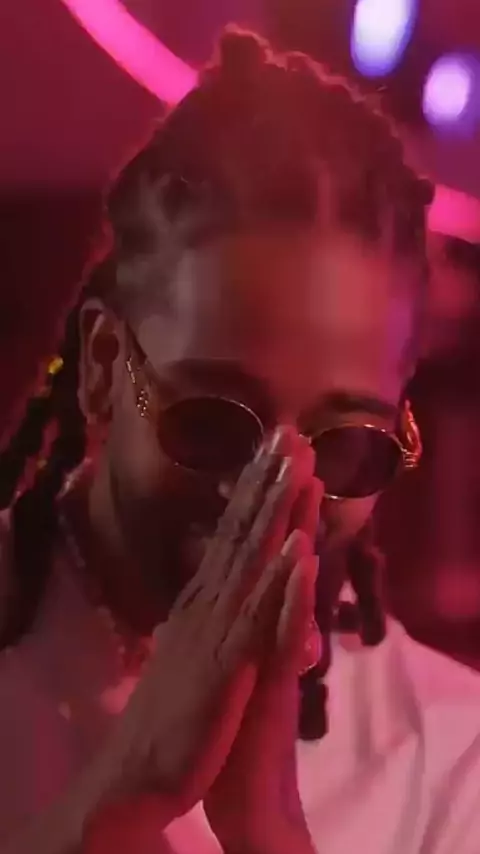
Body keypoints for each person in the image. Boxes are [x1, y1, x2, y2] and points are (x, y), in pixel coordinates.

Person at [1, 25, 480, 854]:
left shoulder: (449, 755)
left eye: (345, 442)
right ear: (104, 366)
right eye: (216, 421)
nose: (278, 490)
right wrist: (125, 795)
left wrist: (268, 829)